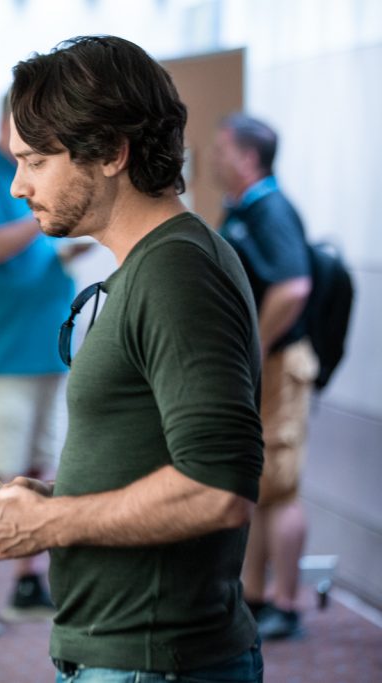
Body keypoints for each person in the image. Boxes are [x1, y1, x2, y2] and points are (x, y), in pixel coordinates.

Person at [0, 36, 265, 682]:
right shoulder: (153, 265)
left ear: (110, 154)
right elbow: (157, 459)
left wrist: (51, 520)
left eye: (36, 161)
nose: (17, 186)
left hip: (154, 660)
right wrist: (51, 498)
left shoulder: (178, 272)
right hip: (128, 654)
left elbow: (218, 488)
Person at [0, 96, 84, 638]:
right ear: (6, 123)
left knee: (42, 469)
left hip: (47, 347)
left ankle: (29, 583)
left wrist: (65, 251)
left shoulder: (41, 172)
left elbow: (36, 255)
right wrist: (40, 214)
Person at [212, 113, 317, 641]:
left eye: (221, 149)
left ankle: (287, 603)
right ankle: (253, 596)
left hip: (279, 366)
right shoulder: (243, 211)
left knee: (280, 487)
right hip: (261, 364)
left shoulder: (271, 209)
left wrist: (254, 345)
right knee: (256, 484)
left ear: (248, 157)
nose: (213, 157)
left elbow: (294, 287)